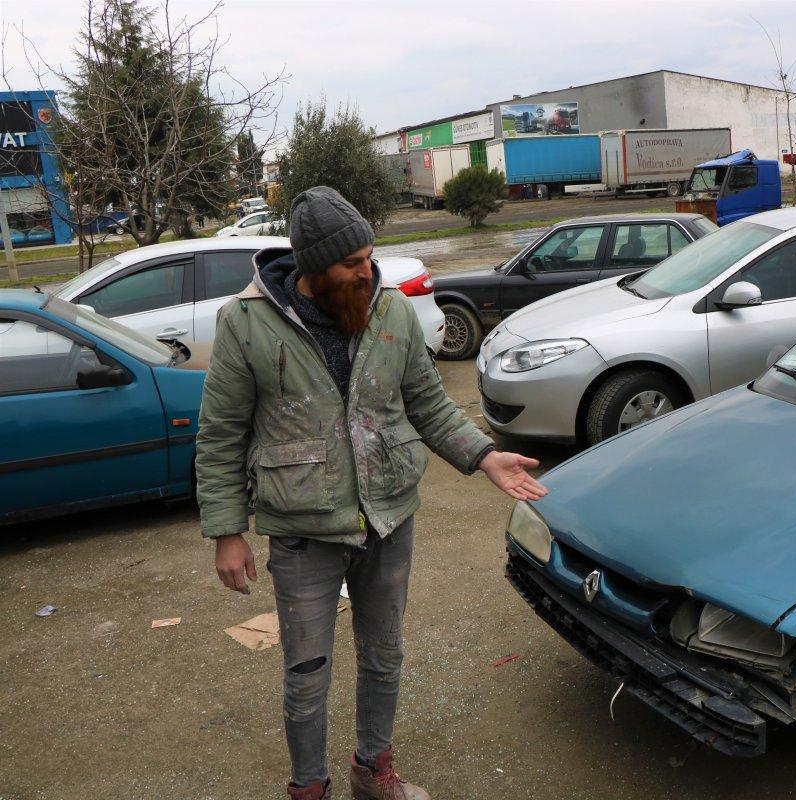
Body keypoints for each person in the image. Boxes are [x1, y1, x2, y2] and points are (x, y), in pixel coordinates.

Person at [196, 186, 547, 800]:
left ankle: (371, 769)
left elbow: (428, 404)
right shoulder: (246, 322)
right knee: (306, 675)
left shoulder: (389, 310)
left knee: (384, 656)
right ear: (312, 268)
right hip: (302, 528)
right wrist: (227, 531)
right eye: (352, 263)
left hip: (388, 517)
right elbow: (221, 434)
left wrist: (484, 456)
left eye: (369, 256)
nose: (369, 270)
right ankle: (309, 787)